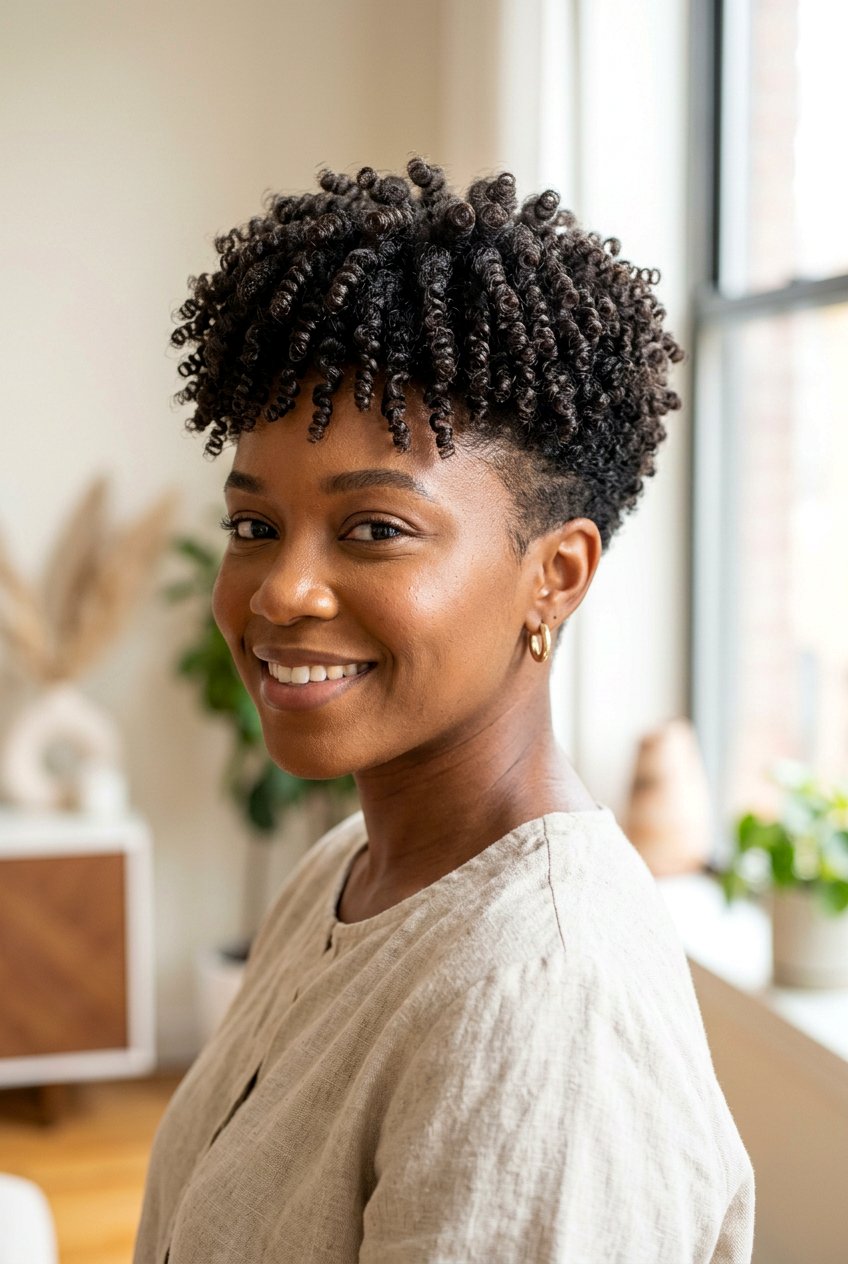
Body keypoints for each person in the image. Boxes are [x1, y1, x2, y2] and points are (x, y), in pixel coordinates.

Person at [134, 158, 755, 1263]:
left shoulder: (543, 1009)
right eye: (254, 525)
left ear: (554, 575)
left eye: (373, 528)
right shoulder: (343, 870)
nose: (279, 592)